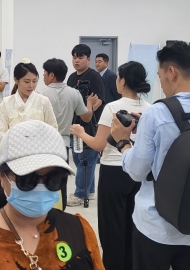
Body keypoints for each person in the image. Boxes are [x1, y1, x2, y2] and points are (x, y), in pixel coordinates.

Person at [110, 41, 190, 270]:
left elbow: (138, 171)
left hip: (157, 228)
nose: (161, 82)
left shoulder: (157, 112)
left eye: (160, 75)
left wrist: (123, 142)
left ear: (171, 72)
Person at [0, 120, 105, 270]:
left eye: (53, 179)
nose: (41, 188)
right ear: (2, 177)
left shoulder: (79, 231)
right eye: (28, 179)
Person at [71, 61, 151, 269]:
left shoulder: (113, 108)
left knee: (112, 230)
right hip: (139, 172)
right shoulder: (150, 109)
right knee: (134, 226)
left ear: (123, 81)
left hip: (113, 172)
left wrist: (81, 133)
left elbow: (98, 145)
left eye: (118, 78)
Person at [0, 59, 59, 224]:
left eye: (34, 81)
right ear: (16, 80)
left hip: (37, 156)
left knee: (38, 195)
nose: (31, 85)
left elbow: (53, 129)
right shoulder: (6, 102)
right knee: (7, 195)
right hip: (11, 154)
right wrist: (17, 137)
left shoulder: (43, 101)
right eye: (26, 81)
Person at [35, 58, 96, 214]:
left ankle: (42, 210)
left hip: (43, 143)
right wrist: (89, 103)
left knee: (41, 180)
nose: (43, 77)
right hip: (63, 144)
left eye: (44, 73)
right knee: (61, 180)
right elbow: (86, 117)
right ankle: (60, 210)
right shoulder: (74, 93)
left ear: (52, 75)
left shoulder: (41, 94)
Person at [66, 44, 104, 207]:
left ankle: (80, 194)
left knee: (85, 160)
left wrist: (85, 113)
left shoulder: (95, 77)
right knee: (80, 158)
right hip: (75, 124)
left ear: (88, 59)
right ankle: (91, 190)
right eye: (74, 57)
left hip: (90, 125)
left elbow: (99, 100)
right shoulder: (71, 77)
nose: (76, 60)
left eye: (80, 57)